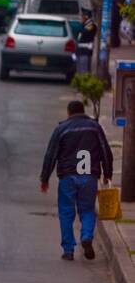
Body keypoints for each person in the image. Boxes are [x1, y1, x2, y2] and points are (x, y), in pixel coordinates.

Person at [40, 99, 113, 261]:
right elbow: (105, 150)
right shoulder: (94, 127)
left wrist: (44, 178)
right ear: (83, 111)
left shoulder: (61, 129)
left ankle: (68, 250)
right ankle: (86, 236)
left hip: (67, 177)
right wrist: (108, 172)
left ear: (68, 112)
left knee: (66, 212)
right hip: (89, 177)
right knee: (87, 210)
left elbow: (51, 155)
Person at [76, 8, 97, 73]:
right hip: (81, 51)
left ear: (86, 17)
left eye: (82, 16)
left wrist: (82, 25)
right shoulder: (85, 25)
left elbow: (84, 35)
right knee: (80, 69)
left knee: (84, 70)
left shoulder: (90, 26)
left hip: (85, 51)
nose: (80, 18)